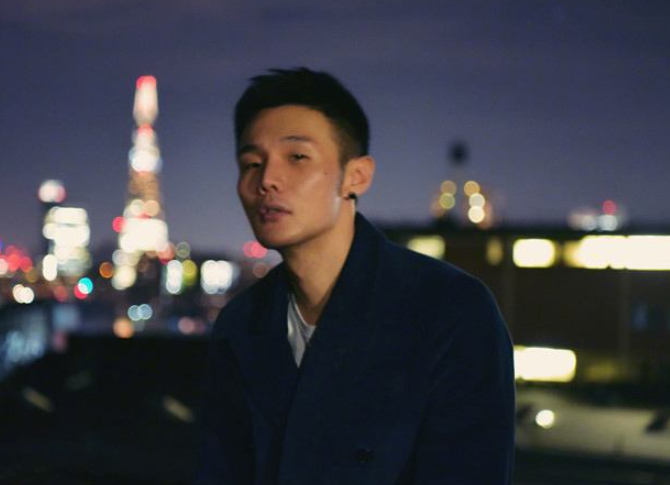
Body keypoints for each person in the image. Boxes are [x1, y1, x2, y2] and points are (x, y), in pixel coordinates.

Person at [196, 67, 515, 485]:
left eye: (297, 157)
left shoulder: (449, 310)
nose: (267, 180)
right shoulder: (242, 325)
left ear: (356, 176)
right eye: (251, 163)